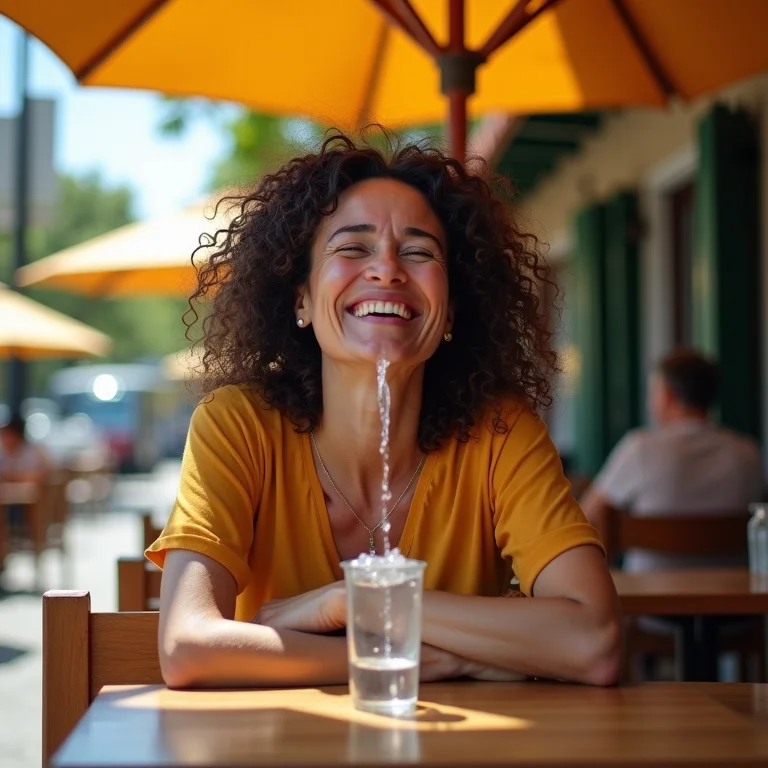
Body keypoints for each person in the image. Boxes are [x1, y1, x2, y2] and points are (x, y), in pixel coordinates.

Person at [146, 132, 621, 689]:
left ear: (449, 314)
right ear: (300, 298)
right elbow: (188, 647)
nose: (388, 269)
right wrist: (442, 658)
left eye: (419, 251)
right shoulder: (237, 425)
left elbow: (595, 642)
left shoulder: (500, 431)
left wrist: (353, 600)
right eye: (352, 248)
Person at [581, 349, 764, 571]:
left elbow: (585, 518)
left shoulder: (640, 449)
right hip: (734, 600)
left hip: (649, 599)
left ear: (666, 396)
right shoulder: (748, 453)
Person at [0, 414, 50, 484]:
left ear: (17, 436)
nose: (4, 439)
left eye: (7, 436)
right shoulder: (3, 453)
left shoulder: (33, 452)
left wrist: (11, 477)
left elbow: (38, 477)